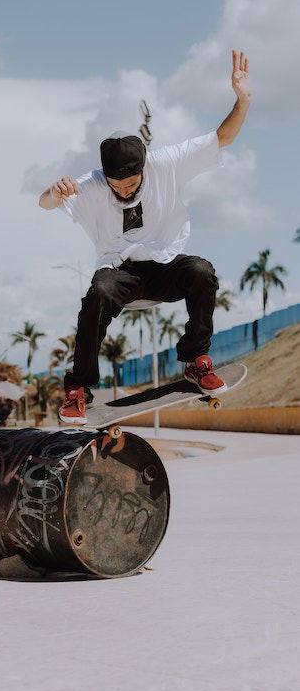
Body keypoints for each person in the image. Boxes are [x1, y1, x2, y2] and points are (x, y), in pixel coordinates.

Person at [39, 50, 252, 425]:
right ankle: (78, 388)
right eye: (117, 186)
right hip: (120, 273)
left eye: (132, 183)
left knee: (202, 271)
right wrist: (54, 193)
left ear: (143, 169)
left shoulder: (166, 163)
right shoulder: (91, 185)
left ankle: (195, 360)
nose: (124, 190)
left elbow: (223, 138)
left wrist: (243, 99)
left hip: (165, 266)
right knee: (98, 293)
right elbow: (43, 203)